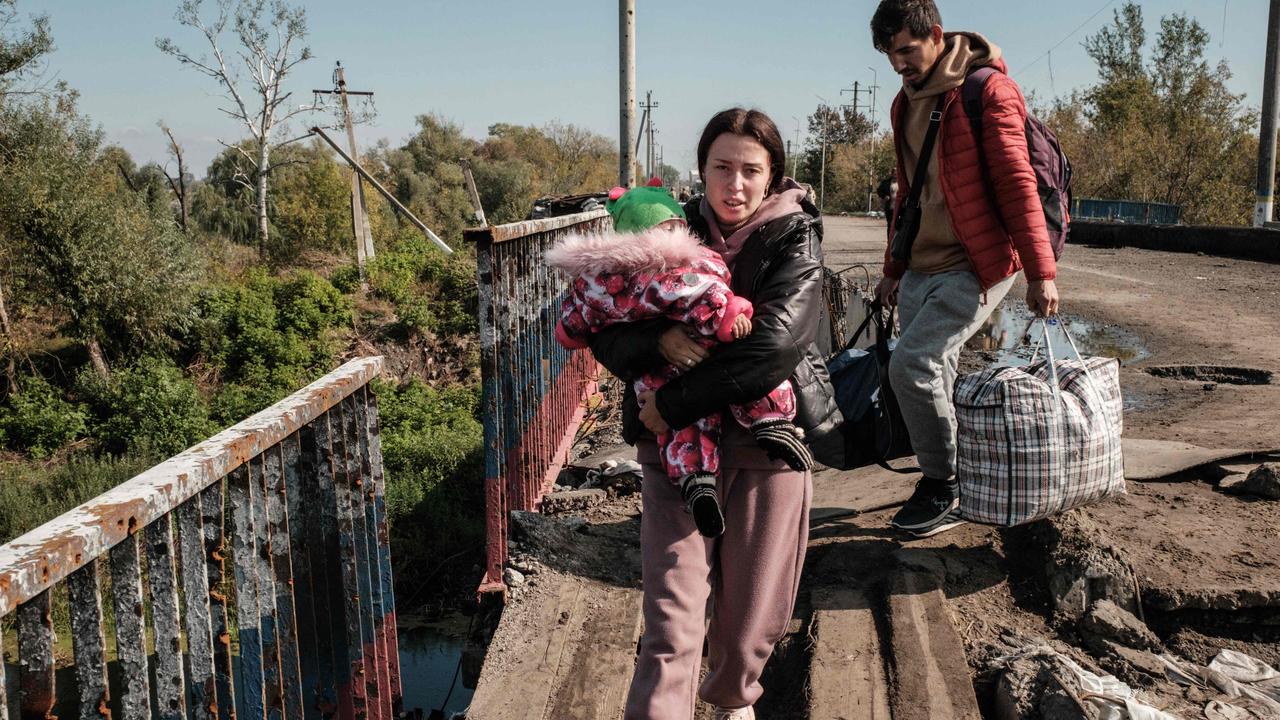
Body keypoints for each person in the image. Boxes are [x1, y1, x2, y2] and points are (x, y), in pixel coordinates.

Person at [586, 108, 840, 720]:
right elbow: (599, 320)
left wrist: (671, 399)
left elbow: (775, 345)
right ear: (700, 170)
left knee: (751, 620)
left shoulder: (795, 238)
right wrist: (655, 345)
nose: (735, 184)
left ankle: (733, 702)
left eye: (751, 170)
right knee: (671, 624)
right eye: (721, 167)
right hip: (673, 450)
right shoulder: (663, 232)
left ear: (773, 175)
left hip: (766, 448)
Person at [871, 0, 1060, 537]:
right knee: (937, 370)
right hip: (921, 264)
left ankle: (943, 484)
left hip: (976, 261)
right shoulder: (903, 103)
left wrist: (1041, 271)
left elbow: (1016, 182)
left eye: (906, 50)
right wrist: (893, 267)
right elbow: (907, 193)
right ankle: (961, 473)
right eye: (890, 56)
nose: (898, 65)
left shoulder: (987, 91)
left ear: (934, 34)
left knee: (913, 365)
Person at [547, 185, 814, 539]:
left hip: (655, 378)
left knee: (684, 429)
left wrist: (569, 331)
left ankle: (695, 480)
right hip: (704, 354)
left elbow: (577, 319)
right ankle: (769, 418)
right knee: (748, 365)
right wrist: (728, 314)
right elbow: (698, 292)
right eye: (672, 226)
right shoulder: (672, 264)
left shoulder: (594, 280)